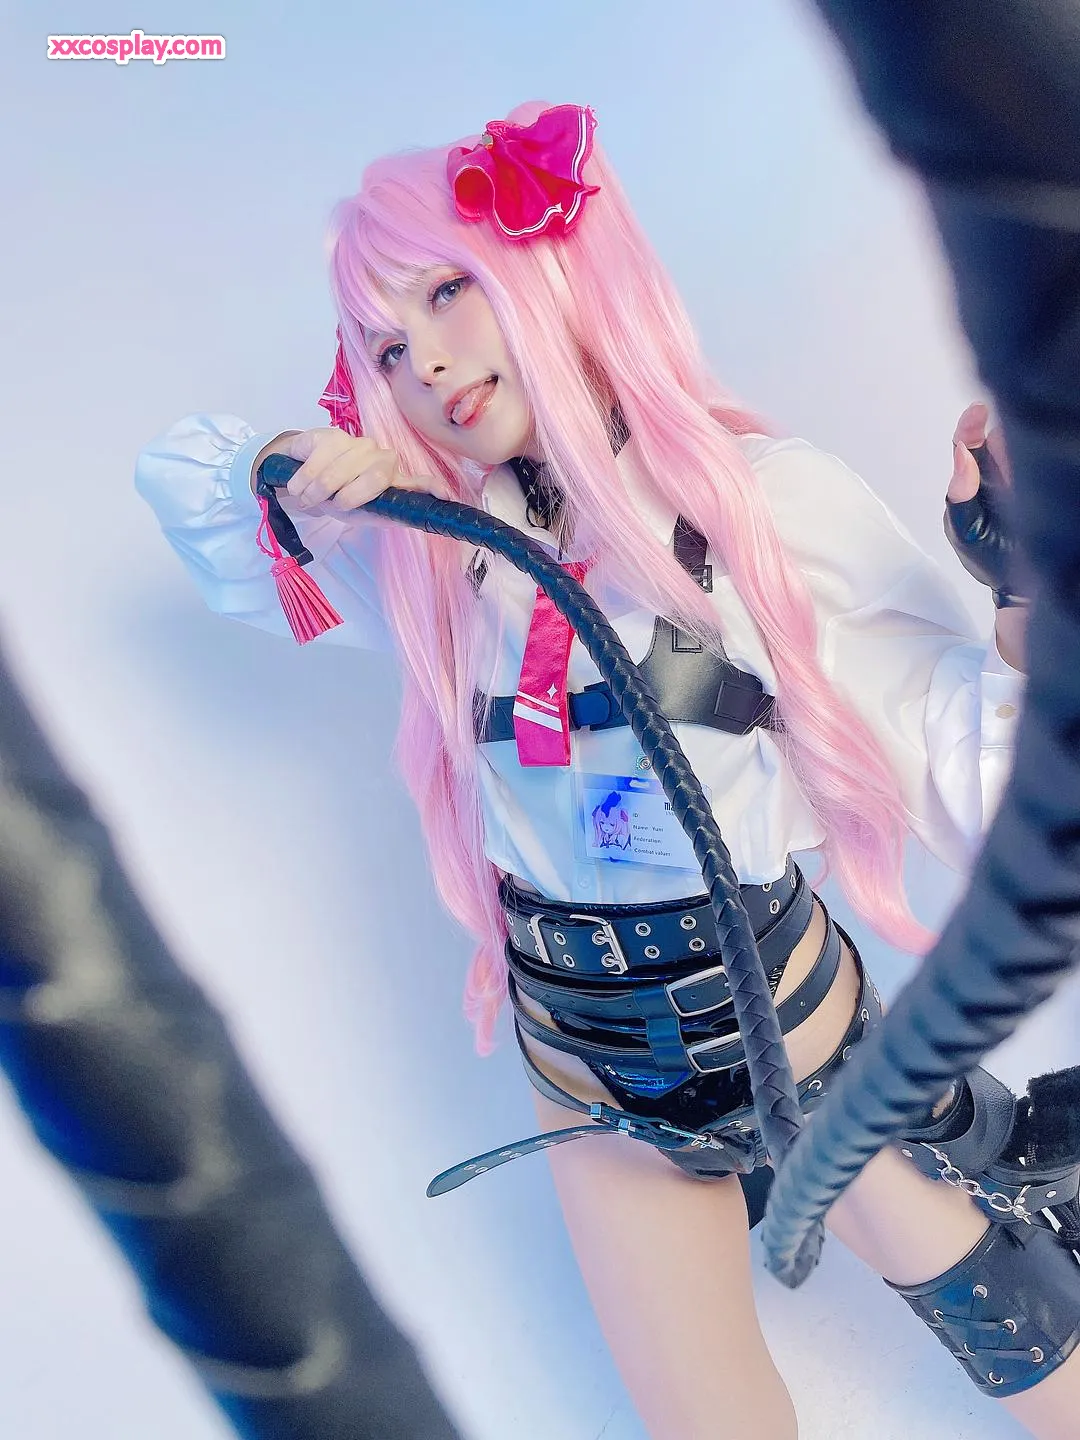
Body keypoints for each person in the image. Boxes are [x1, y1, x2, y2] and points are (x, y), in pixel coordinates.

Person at [134, 102, 1080, 1440]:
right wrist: (282, 468)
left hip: (784, 1030)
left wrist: (1032, 587)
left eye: (449, 291)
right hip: (582, 1060)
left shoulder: (760, 503)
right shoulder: (429, 551)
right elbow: (198, 501)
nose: (429, 361)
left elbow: (987, 773)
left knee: (1026, 1335)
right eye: (389, 346)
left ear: (548, 267)